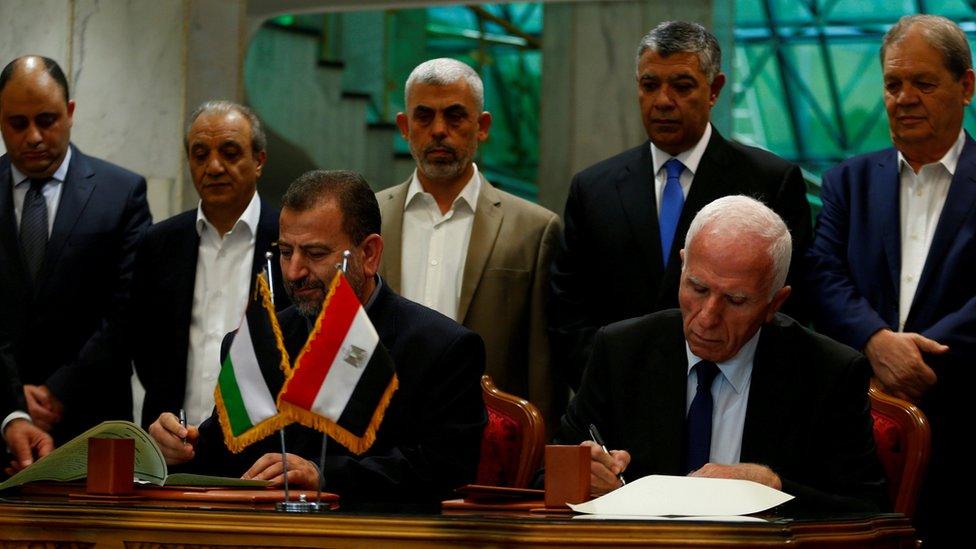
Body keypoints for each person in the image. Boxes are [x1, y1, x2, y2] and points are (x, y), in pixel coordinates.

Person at [149, 170, 486, 505]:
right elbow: (226, 455)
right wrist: (178, 446)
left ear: (369, 254)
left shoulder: (443, 349)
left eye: (315, 254)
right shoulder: (259, 342)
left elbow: (446, 470)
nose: (294, 272)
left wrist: (323, 475)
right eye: (285, 252)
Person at [556, 195, 886, 512]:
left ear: (775, 303)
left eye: (735, 300)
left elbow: (867, 510)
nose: (707, 317)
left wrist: (772, 485)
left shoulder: (829, 372)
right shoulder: (621, 350)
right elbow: (548, 478)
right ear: (683, 267)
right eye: (698, 288)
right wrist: (585, 477)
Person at [549, 21, 812, 390]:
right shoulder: (594, 188)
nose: (663, 101)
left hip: (731, 390)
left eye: (682, 86)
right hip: (619, 394)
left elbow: (789, 304)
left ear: (714, 89)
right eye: (650, 85)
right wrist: (611, 379)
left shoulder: (769, 182)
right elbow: (568, 310)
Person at [806, 14, 974, 543]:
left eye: (923, 83)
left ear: (966, 86)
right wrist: (876, 341)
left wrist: (918, 358)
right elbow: (822, 274)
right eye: (893, 84)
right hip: (862, 433)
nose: (904, 98)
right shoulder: (847, 181)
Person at [377, 58, 564, 432]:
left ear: (482, 127)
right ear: (404, 127)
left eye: (455, 116)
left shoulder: (534, 229)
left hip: (489, 443)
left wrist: (538, 460)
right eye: (424, 116)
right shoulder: (369, 220)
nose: (439, 131)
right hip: (379, 437)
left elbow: (543, 367)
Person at [0, 56, 151, 445]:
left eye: (46, 120)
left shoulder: (121, 193)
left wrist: (58, 390)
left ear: (69, 113)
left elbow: (128, 311)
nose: (33, 136)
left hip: (91, 423)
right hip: (2, 422)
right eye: (18, 123)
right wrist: (14, 404)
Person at [128, 101, 288, 429]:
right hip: (173, 441)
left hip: (266, 448)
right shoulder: (158, 243)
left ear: (259, 161)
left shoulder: (288, 241)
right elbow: (145, 349)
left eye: (230, 153)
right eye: (200, 155)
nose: (213, 167)